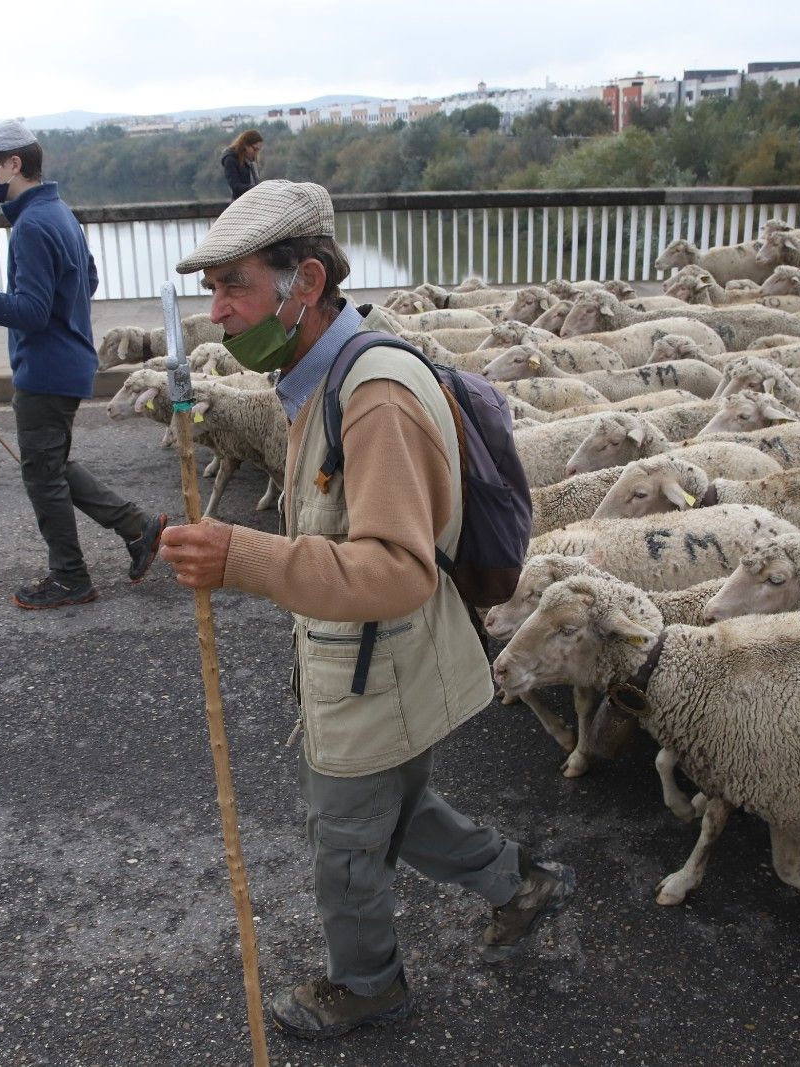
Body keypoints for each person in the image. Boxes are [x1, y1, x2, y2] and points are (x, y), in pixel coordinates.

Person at [159, 180, 574, 1041]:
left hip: (375, 664)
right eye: (211, 290)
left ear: (303, 283)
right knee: (397, 805)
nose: (218, 312)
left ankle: (369, 983)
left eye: (233, 286)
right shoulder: (322, 372)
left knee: (345, 839)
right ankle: (517, 881)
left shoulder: (373, 393)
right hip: (382, 658)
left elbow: (394, 569)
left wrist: (239, 555)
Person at [0, 121, 165, 610]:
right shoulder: (58, 212)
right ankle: (138, 528)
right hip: (69, 361)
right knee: (49, 464)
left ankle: (71, 577)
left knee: (42, 474)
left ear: (14, 164)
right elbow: (87, 280)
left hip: (46, 370)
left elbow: (30, 313)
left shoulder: (31, 225)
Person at [220, 130, 263, 201]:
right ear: (246, 145)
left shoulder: (252, 162)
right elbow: (235, 187)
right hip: (240, 203)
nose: (256, 153)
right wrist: (257, 188)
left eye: (258, 150)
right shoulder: (230, 159)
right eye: (255, 149)